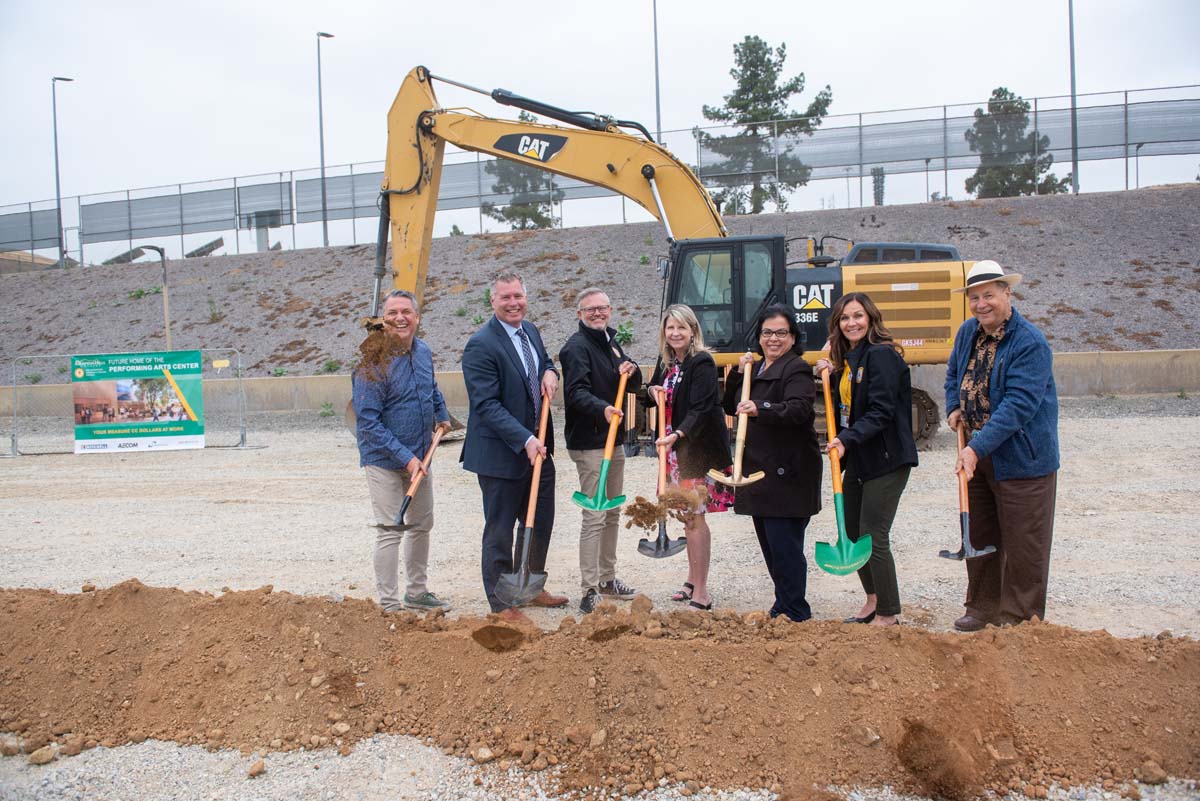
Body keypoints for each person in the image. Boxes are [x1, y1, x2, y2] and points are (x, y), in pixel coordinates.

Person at [944, 260, 1059, 632]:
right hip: (978, 455)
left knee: (1025, 543)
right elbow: (953, 373)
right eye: (974, 297)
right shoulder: (967, 332)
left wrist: (975, 449)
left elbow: (1018, 406)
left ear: (1007, 293)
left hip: (1022, 459)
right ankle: (982, 608)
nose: (981, 304)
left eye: (989, 295)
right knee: (980, 534)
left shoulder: (1029, 343)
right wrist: (954, 405)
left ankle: (1019, 618)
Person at [462, 272, 568, 623]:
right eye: (505, 297)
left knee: (540, 520)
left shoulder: (530, 331)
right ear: (492, 301)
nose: (513, 303)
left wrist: (551, 372)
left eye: (518, 296)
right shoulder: (481, 345)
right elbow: (486, 404)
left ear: (526, 297)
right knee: (500, 528)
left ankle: (530, 585)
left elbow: (544, 363)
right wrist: (525, 439)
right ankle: (502, 604)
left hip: (539, 449)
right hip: (501, 453)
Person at [816, 292, 918, 628]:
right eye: (845, 318)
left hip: (887, 458)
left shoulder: (882, 355)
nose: (852, 323)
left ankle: (888, 613)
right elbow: (850, 405)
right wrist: (831, 375)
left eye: (858, 316)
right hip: (861, 459)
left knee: (873, 535)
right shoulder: (851, 360)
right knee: (852, 531)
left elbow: (881, 410)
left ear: (871, 318)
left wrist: (846, 440)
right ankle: (873, 600)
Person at [351, 289, 453, 613]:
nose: (400, 318)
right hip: (383, 460)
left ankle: (417, 593)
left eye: (406, 312)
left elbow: (431, 387)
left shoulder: (423, 352)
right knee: (390, 529)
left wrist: (442, 414)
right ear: (383, 319)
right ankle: (389, 605)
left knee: (421, 524)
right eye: (392, 313)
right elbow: (367, 422)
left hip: (421, 457)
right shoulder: (373, 363)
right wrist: (406, 459)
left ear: (417, 317)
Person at [721, 304, 822, 622]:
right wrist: (738, 374)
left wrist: (761, 407)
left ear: (793, 338)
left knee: (785, 546)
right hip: (761, 470)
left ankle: (795, 610)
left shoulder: (796, 369)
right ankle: (783, 604)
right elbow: (730, 405)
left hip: (788, 472)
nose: (773, 339)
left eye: (781, 333)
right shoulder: (757, 368)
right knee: (771, 546)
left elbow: (799, 410)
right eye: (767, 332)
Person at [559, 287, 643, 614]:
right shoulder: (575, 348)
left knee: (612, 512)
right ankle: (589, 589)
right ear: (579, 314)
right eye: (590, 309)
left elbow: (630, 380)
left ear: (610, 310)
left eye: (602, 308)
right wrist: (603, 409)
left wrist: (632, 370)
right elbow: (575, 392)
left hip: (613, 440)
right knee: (594, 515)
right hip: (590, 442)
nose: (597, 313)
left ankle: (607, 579)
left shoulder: (610, 341)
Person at [646, 304, 732, 611]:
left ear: (693, 330)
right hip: (674, 450)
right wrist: (652, 391)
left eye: (681, 327)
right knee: (686, 516)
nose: (675, 333)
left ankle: (702, 592)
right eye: (670, 327)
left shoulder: (701, 362)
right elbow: (653, 393)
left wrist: (678, 434)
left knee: (695, 517)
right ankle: (692, 580)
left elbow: (702, 408)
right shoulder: (668, 361)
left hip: (695, 450)